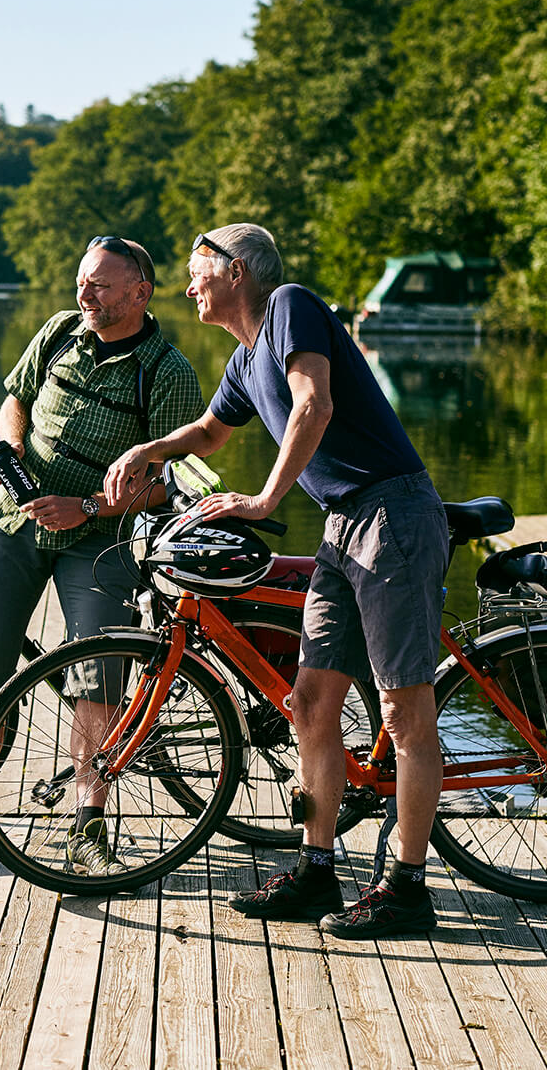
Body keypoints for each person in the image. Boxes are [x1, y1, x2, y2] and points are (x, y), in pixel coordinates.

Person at [104, 224, 449, 939]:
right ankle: (316, 866)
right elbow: (208, 431)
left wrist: (263, 501)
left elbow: (313, 403)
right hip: (343, 523)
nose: (189, 285)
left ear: (237, 271)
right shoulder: (244, 355)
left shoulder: (288, 305)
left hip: (393, 513)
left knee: (402, 714)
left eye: (199, 271)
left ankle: (408, 888)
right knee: (311, 704)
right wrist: (149, 447)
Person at [0, 236, 204, 880]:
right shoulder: (61, 330)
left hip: (101, 539)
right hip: (13, 523)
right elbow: (17, 396)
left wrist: (89, 507)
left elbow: (166, 485)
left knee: (97, 674)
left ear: (140, 292)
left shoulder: (169, 372)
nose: (84, 295)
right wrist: (9, 450)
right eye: (80, 282)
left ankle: (88, 823)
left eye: (99, 285)